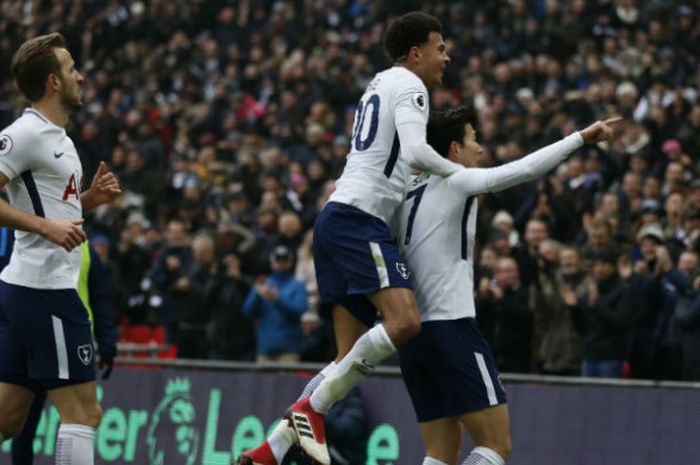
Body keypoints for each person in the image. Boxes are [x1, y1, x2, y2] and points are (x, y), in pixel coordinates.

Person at [241, 11, 465, 465]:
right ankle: (309, 410)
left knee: (346, 361)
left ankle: (273, 448)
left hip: (338, 218)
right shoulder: (411, 85)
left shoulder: (379, 84)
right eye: (440, 47)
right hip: (359, 221)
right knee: (404, 323)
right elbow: (419, 150)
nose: (447, 55)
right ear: (416, 53)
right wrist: (468, 176)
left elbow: (402, 160)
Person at [395, 106, 619, 465]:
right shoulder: (456, 179)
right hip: (452, 329)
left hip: (412, 335)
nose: (480, 149)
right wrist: (580, 138)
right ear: (454, 150)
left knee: (439, 453)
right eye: (474, 140)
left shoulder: (405, 193)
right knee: (495, 446)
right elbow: (524, 170)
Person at [0, 33, 121, 465]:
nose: (81, 76)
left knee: (8, 419)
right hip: (45, 292)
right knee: (83, 413)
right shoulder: (25, 134)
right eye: (72, 69)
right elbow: (42, 221)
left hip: (25, 289)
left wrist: (87, 201)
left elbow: (48, 208)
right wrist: (45, 227)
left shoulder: (60, 139)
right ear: (54, 81)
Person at [11, 240, 118, 465]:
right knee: (80, 417)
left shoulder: (23, 237)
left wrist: (107, 342)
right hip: (53, 331)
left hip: (47, 333)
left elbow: (101, 297)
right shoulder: (29, 235)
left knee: (12, 421)